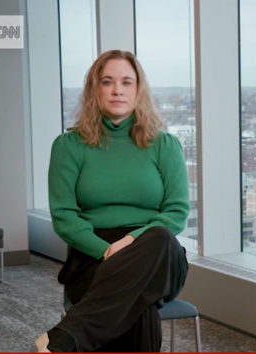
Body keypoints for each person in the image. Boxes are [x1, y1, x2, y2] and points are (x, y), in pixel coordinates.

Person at [34, 50, 190, 352]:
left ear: (138, 90)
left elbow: (176, 212)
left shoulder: (164, 145)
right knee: (137, 303)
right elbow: (65, 216)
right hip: (93, 254)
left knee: (158, 237)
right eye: (108, 82)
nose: (117, 89)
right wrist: (107, 251)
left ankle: (65, 338)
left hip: (157, 253)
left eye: (126, 82)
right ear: (95, 90)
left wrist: (131, 241)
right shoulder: (69, 146)